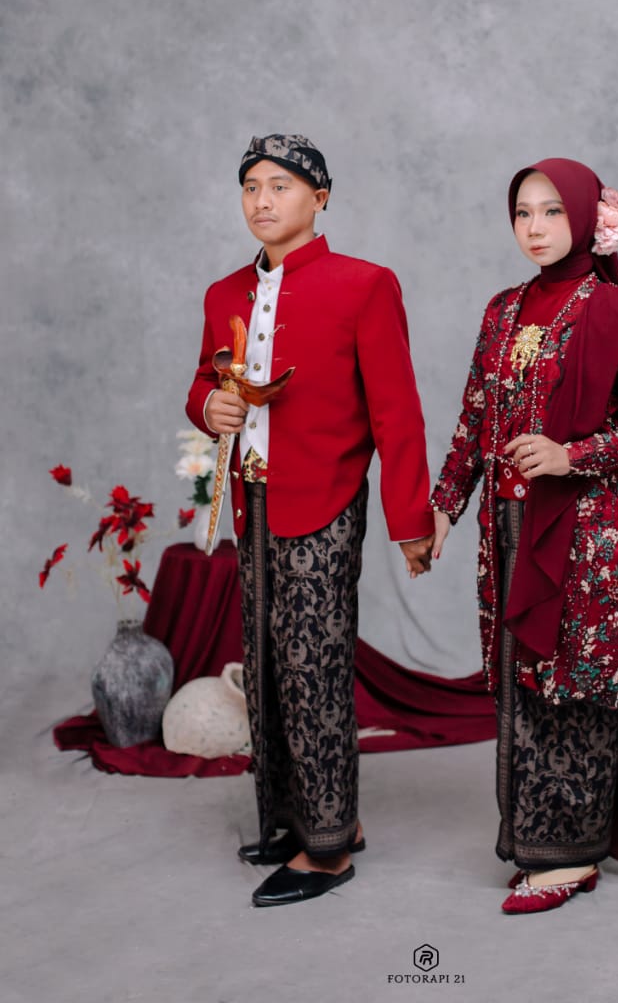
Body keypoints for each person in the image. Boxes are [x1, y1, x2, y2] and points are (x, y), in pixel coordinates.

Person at [186, 133, 434, 907]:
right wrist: (209, 404)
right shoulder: (223, 293)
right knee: (266, 668)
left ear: (319, 198)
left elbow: (397, 413)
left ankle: (327, 851)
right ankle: (301, 819)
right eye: (250, 187)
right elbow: (201, 382)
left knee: (312, 670)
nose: (262, 201)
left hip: (325, 500)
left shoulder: (365, 285)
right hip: (253, 505)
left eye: (281, 186)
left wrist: (410, 520)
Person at [429, 158, 618, 914]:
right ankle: (533, 841)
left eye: (551, 212)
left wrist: (574, 456)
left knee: (574, 686)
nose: (534, 228)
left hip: (587, 536)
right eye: (522, 213)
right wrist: (442, 508)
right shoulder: (502, 310)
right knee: (522, 685)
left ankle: (570, 857)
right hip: (507, 530)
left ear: (586, 219)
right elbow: (475, 418)